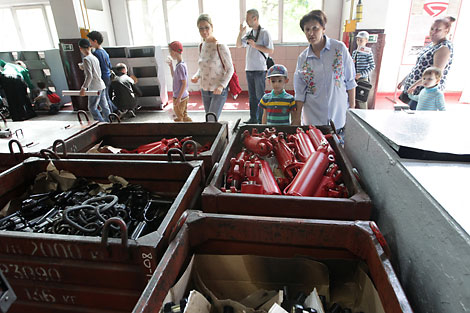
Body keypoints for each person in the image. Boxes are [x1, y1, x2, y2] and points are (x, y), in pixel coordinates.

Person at [292, 10, 356, 137]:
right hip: (313, 117)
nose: (311, 33)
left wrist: (352, 110)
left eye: (315, 28)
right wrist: (297, 118)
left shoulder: (339, 49)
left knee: (338, 151)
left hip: (338, 115)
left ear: (323, 29)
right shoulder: (303, 58)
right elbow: (299, 92)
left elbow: (350, 81)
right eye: (307, 29)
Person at [397, 16, 455, 110]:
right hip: (416, 91)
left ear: (446, 31)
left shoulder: (444, 48)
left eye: (438, 30)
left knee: (417, 116)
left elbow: (434, 73)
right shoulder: (431, 44)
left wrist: (414, 85)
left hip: (426, 91)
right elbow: (419, 67)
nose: (433, 32)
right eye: (432, 29)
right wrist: (405, 80)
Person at [192, 14, 234, 122]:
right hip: (205, 89)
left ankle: (218, 138)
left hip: (218, 89)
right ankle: (214, 138)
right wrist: (196, 76)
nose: (204, 31)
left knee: (211, 119)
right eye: (201, 28)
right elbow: (202, 67)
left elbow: (230, 69)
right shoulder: (201, 46)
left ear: (212, 27)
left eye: (206, 27)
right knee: (209, 120)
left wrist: (221, 86)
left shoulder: (220, 46)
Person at [236, 9, 274, 124]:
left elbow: (270, 50)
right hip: (249, 69)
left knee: (260, 96)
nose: (246, 21)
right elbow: (238, 45)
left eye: (248, 19)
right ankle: (253, 118)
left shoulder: (264, 32)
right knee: (252, 96)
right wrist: (240, 33)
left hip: (260, 69)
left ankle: (261, 119)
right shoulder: (249, 33)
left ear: (255, 19)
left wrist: (255, 45)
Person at [78, 38, 111, 122]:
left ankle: (100, 122)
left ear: (80, 48)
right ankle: (109, 121)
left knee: (92, 107)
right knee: (104, 106)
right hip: (101, 84)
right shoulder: (94, 57)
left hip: (94, 86)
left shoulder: (86, 59)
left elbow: (89, 76)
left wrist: (83, 88)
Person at [86, 30, 119, 113]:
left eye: (90, 41)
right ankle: (115, 111)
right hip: (107, 76)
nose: (90, 43)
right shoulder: (104, 52)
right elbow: (109, 65)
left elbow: (96, 67)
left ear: (95, 41)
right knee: (107, 96)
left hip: (102, 77)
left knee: (104, 98)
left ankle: (112, 114)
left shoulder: (96, 53)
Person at [167, 41, 192, 122]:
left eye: (170, 52)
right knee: (184, 115)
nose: (170, 54)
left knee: (178, 117)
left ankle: (180, 132)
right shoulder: (180, 64)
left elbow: (184, 83)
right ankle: (190, 128)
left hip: (180, 96)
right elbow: (174, 77)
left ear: (174, 52)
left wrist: (178, 98)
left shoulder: (180, 66)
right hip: (183, 96)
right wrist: (171, 66)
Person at [352, 31, 375, 109]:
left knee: (362, 99)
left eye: (361, 40)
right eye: (358, 40)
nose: (359, 42)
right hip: (354, 78)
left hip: (363, 78)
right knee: (353, 97)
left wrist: (361, 74)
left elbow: (372, 66)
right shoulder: (355, 52)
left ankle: (364, 114)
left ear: (366, 41)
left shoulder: (368, 52)